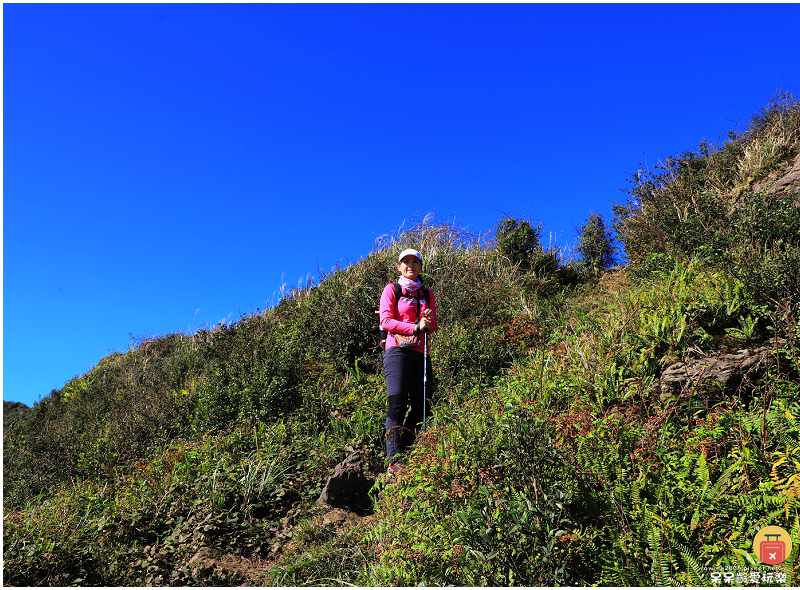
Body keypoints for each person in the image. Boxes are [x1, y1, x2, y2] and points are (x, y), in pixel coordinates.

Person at [379, 248, 437, 473]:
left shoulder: (427, 294)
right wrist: (414, 326)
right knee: (398, 402)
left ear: (421, 266)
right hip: (397, 351)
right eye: (406, 262)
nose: (410, 265)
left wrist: (428, 321)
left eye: (415, 262)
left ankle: (404, 448)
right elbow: (386, 321)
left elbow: (431, 327)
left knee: (423, 405)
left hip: (421, 352)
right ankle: (394, 460)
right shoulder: (392, 289)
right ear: (399, 266)